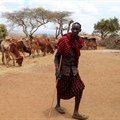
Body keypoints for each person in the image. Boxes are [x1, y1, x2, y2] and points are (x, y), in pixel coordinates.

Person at [54, 22, 88, 120]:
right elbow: (57, 57)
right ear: (71, 29)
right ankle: (58, 105)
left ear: (80, 30)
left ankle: (76, 112)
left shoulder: (79, 42)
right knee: (60, 88)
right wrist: (57, 70)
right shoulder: (64, 41)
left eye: (77, 29)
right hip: (63, 70)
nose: (74, 31)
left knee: (80, 88)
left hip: (74, 70)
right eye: (73, 29)